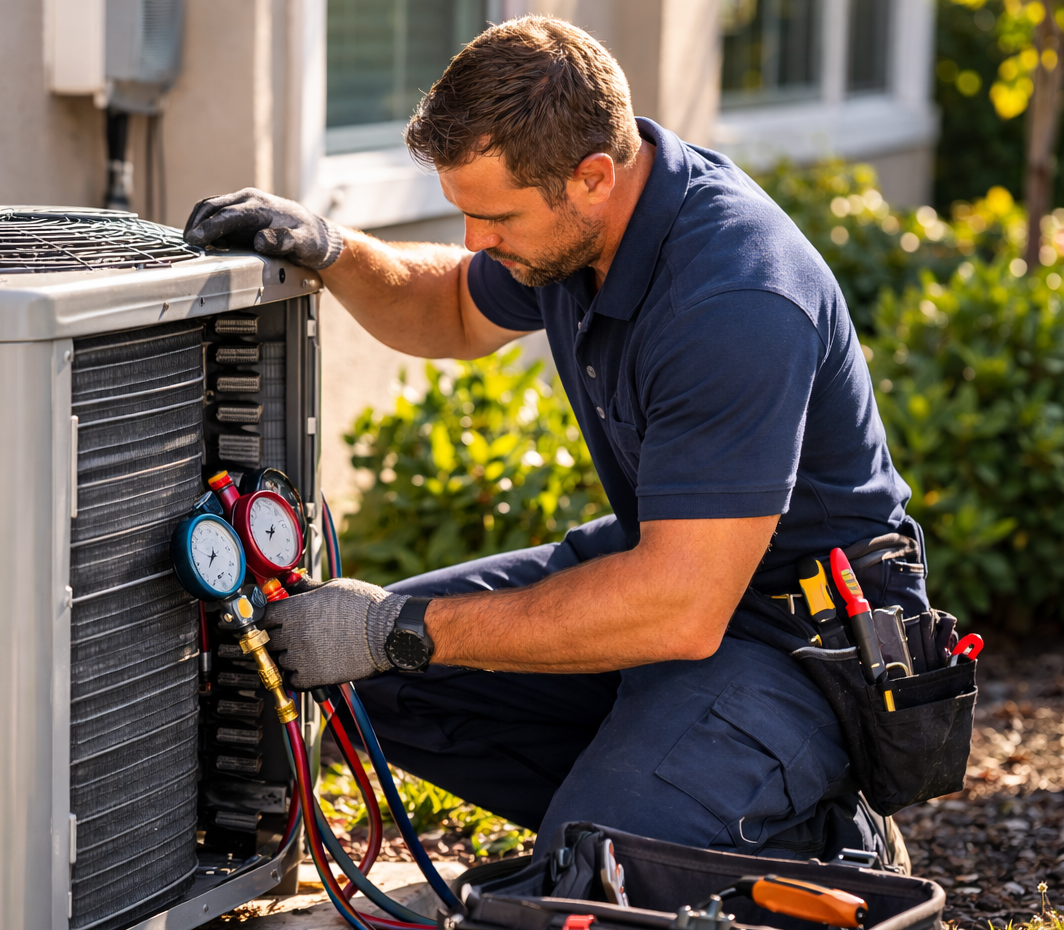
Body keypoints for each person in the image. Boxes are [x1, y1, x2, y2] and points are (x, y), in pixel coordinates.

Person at [184, 16, 923, 859]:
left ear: (592, 176)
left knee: (598, 857)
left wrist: (400, 625)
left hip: (802, 632)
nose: (476, 240)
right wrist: (333, 249)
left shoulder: (735, 300)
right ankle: (661, 790)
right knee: (379, 688)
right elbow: (457, 307)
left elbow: (682, 610)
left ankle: (798, 826)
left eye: (495, 217)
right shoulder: (582, 234)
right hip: (672, 568)